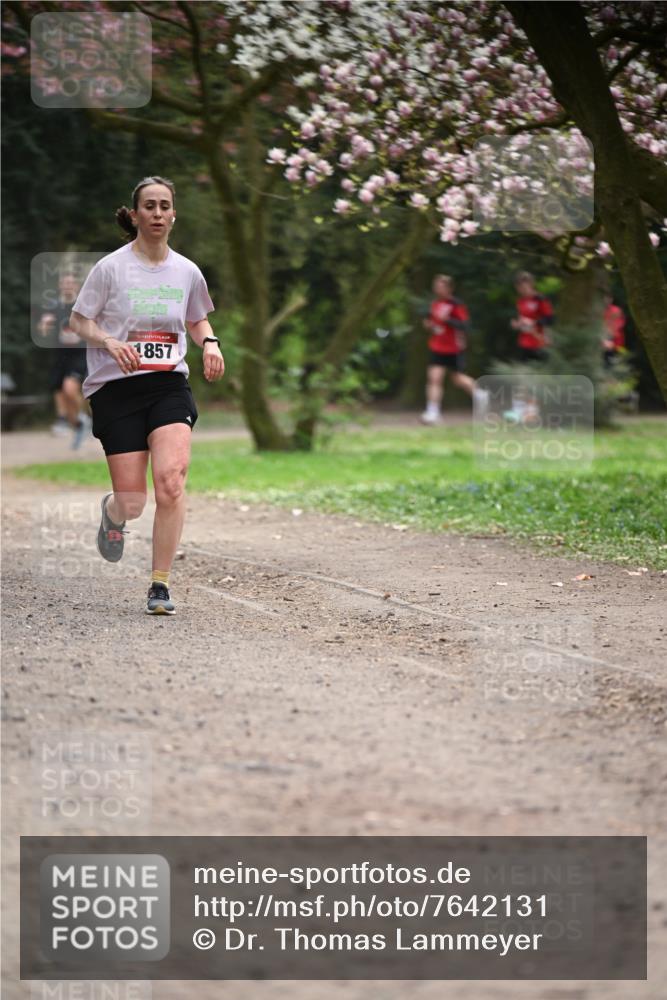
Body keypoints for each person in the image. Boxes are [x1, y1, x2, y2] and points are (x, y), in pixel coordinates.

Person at [68, 175, 224, 615]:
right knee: (133, 501)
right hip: (116, 389)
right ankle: (114, 514)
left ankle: (160, 585)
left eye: (164, 206)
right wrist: (110, 343)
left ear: (174, 214)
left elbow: (198, 320)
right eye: (149, 206)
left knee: (171, 482)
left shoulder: (186, 271)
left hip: (168, 383)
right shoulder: (111, 268)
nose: (157, 213)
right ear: (135, 215)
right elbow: (79, 321)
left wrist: (210, 342)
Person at [421, 274, 486, 425]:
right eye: (436, 285)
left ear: (449, 288)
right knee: (434, 378)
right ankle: (432, 412)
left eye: (441, 285)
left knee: (457, 379)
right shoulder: (435, 304)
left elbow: (464, 325)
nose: (437, 288)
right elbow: (432, 321)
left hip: (454, 348)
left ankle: (480, 395)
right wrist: (429, 325)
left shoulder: (456, 304)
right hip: (437, 346)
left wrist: (448, 320)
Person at [37, 272, 92, 447]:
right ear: (60, 286)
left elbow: (94, 326)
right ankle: (74, 422)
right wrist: (44, 325)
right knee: (60, 390)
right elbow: (43, 330)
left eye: (70, 282)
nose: (67, 285)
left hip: (80, 354)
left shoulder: (83, 305)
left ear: (76, 285)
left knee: (70, 389)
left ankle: (84, 418)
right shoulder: (54, 306)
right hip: (60, 354)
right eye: (64, 282)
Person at [511, 271, 553, 363]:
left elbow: (549, 319)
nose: (521, 290)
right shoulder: (520, 301)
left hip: (540, 342)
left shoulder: (540, 299)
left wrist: (533, 323)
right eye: (518, 287)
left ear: (531, 284)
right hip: (524, 342)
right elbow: (522, 319)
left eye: (523, 287)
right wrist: (517, 324)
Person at [602, 294, 626, 366]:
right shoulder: (598, 311)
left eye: (608, 298)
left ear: (611, 299)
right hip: (602, 342)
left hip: (615, 343)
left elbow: (619, 325)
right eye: (605, 298)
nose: (606, 300)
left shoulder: (616, 310)